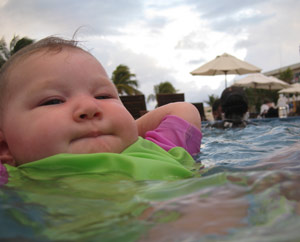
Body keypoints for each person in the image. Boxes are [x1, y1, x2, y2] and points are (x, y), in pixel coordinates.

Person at [0, 36, 202, 181]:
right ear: (5, 147)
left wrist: (126, 131)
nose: (89, 107)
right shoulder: (10, 178)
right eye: (54, 101)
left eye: (103, 96)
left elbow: (184, 110)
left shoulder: (156, 151)